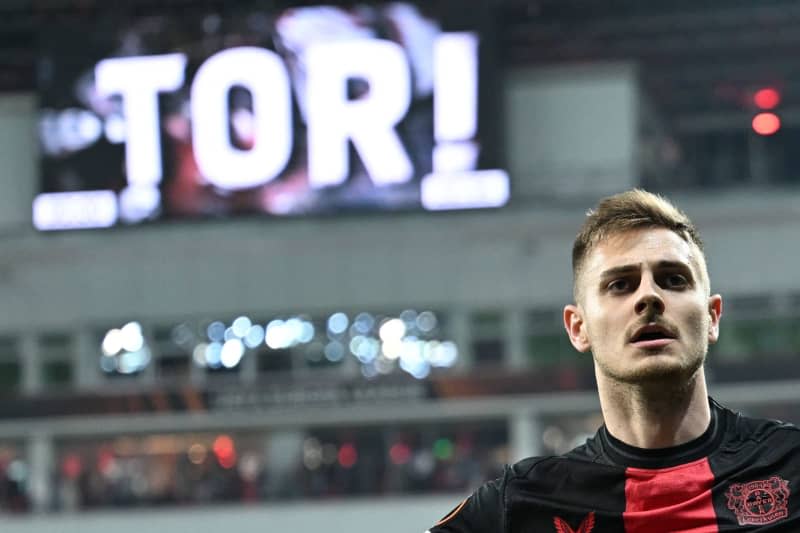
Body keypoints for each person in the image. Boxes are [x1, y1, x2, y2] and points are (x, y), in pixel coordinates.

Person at [427, 189, 800, 532]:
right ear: (578, 327)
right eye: (620, 284)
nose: (649, 297)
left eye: (673, 279)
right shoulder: (520, 505)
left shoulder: (790, 465)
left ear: (712, 317)